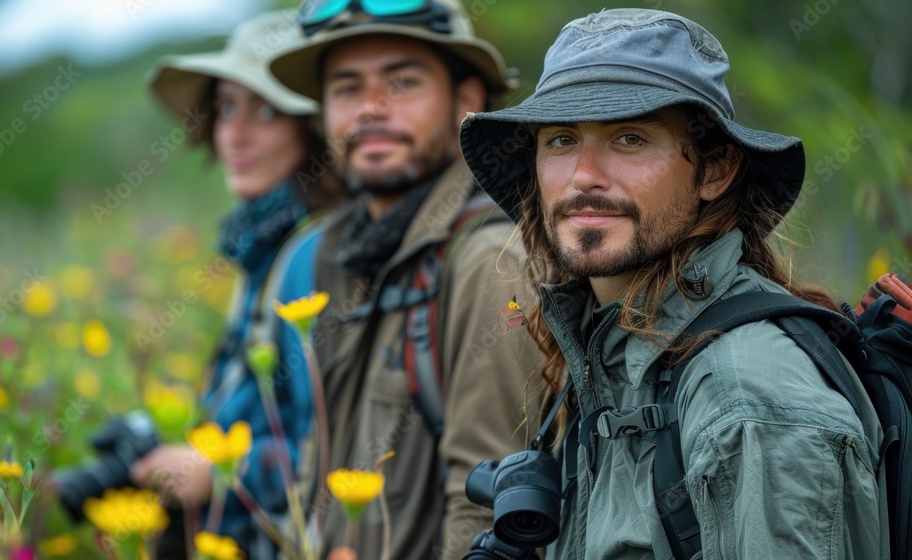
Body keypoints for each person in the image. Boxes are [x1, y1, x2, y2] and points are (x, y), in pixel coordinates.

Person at [459, 8, 886, 559]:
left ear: (715, 170)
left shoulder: (748, 401)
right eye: (561, 139)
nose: (584, 174)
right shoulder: (610, 363)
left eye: (630, 138)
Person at [268, 1, 542, 558]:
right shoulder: (336, 255)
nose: (370, 108)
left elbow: (487, 510)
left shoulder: (490, 261)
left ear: (466, 102)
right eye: (346, 89)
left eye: (403, 82)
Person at [132, 10, 346, 558]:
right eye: (226, 106)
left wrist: (220, 471)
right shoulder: (262, 243)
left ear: (313, 126)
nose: (235, 133)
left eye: (267, 108)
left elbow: (333, 449)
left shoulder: (315, 253)